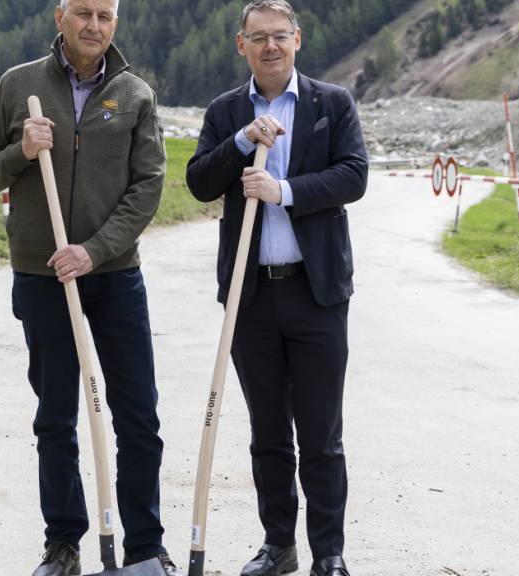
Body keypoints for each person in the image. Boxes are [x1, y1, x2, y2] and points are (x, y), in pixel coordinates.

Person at [0, 1, 182, 575]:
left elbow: (147, 188)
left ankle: (143, 546)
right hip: (42, 275)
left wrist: (95, 249)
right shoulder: (19, 86)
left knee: (138, 414)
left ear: (116, 23)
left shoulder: (135, 93)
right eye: (83, 12)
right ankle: (63, 544)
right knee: (55, 415)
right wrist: (22, 151)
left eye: (106, 16)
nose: (94, 25)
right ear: (60, 15)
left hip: (112, 275)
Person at [185, 1, 368, 575]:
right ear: (242, 45)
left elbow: (354, 175)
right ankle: (278, 546)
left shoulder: (331, 104)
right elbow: (198, 181)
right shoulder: (225, 111)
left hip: (316, 294)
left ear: (298, 40)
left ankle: (329, 554)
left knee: (320, 433)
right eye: (258, 38)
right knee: (268, 433)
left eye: (280, 36)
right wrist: (240, 142)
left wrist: (282, 190)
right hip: (252, 296)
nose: (270, 47)